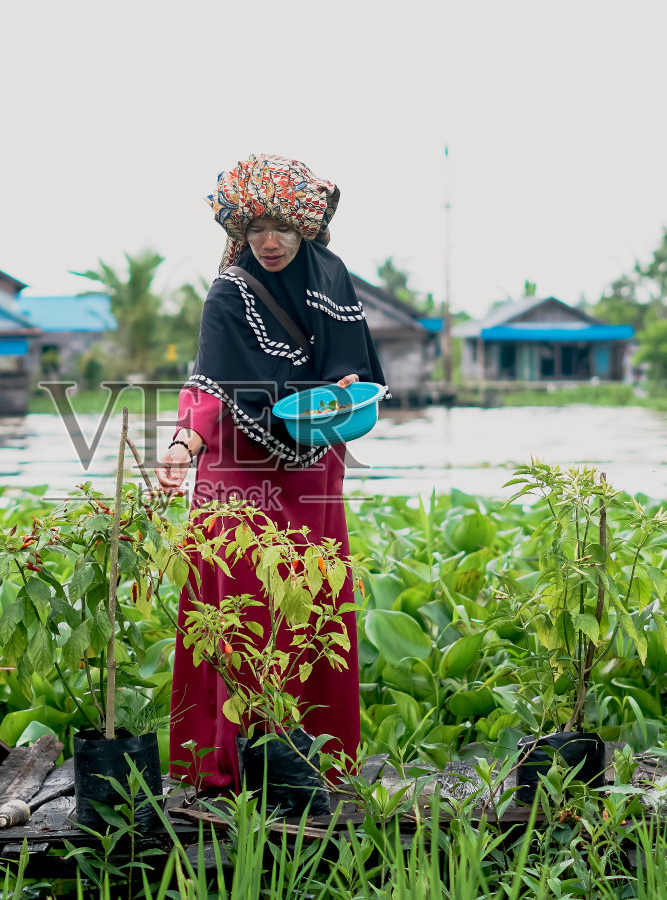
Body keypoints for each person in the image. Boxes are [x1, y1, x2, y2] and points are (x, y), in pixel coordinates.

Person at [158, 154, 388, 791]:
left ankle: (311, 760)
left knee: (314, 606)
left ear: (306, 227)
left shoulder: (333, 280)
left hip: (315, 461)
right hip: (239, 463)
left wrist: (346, 388)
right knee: (232, 599)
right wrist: (183, 442)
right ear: (238, 231)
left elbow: (360, 370)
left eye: (282, 227)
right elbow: (207, 381)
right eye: (256, 227)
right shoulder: (229, 292)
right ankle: (220, 764)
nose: (269, 240)